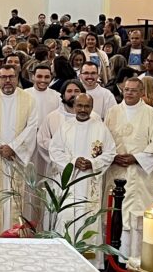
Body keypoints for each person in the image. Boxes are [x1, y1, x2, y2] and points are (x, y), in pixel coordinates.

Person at [49, 93, 116, 269]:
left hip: (89, 185)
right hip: (70, 184)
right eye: (80, 106)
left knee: (90, 220)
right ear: (74, 106)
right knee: (66, 217)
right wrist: (73, 162)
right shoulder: (66, 127)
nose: (83, 110)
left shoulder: (100, 128)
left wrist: (92, 163)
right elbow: (54, 150)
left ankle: (90, 265)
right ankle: (63, 261)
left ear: (92, 108)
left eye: (87, 106)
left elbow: (110, 153)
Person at [0, 64, 39, 236]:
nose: (7, 81)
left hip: (17, 158)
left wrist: (13, 147)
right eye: (3, 77)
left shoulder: (28, 99)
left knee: (17, 199)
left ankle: (18, 238)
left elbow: (32, 126)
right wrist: (0, 147)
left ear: (17, 77)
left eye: (11, 77)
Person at [103, 76, 153, 236]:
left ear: (141, 92)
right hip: (115, 171)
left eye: (133, 90)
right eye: (126, 90)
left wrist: (136, 158)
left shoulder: (152, 114)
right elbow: (103, 141)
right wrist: (112, 157)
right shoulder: (112, 112)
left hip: (140, 175)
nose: (129, 93)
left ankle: (135, 256)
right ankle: (112, 257)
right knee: (114, 214)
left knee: (138, 217)